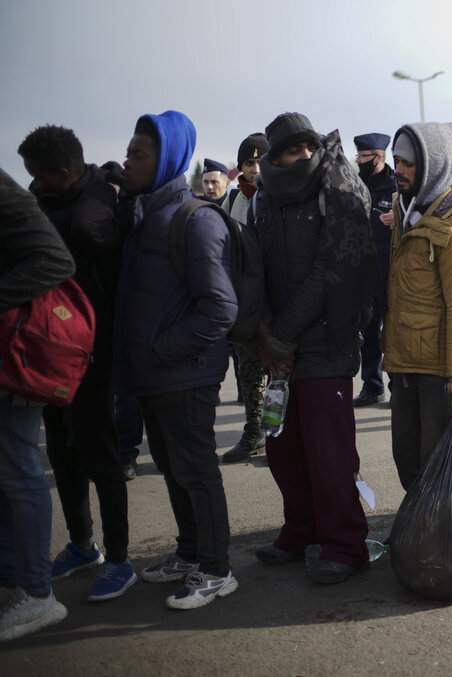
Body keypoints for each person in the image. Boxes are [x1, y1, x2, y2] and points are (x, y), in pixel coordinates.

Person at [250, 113, 382, 584]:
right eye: (291, 150)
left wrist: (281, 331)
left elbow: (337, 267)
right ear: (275, 157)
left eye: (308, 146)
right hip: (280, 348)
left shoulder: (337, 187)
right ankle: (301, 529)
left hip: (326, 339)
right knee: (283, 446)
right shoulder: (264, 196)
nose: (303, 155)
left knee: (330, 454)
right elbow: (254, 266)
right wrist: (263, 332)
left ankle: (345, 545)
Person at [115, 110, 239, 609]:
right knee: (172, 467)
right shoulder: (145, 214)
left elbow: (221, 308)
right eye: (128, 152)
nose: (128, 162)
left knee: (196, 469)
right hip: (155, 377)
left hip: (186, 373)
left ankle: (216, 570)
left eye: (138, 154)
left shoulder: (195, 219)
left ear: (165, 157)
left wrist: (161, 351)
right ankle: (190, 554)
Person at [17, 125, 136, 600]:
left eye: (41, 178)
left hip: (89, 350)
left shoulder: (99, 207)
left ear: (64, 173)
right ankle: (82, 545)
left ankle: (121, 558)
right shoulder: (46, 201)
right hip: (45, 349)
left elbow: (103, 258)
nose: (36, 185)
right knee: (63, 455)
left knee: (100, 455)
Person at [381, 122, 452, 490]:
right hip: (404, 362)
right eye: (396, 160)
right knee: (407, 461)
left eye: (408, 162)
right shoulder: (405, 208)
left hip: (439, 371)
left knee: (437, 468)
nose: (398, 169)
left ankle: (441, 543)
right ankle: (419, 533)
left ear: (433, 162)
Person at [0, 168, 76, 641]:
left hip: (13, 357)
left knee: (20, 470)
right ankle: (13, 580)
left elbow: (55, 260)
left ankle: (36, 594)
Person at [222, 133, 270, 464]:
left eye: (259, 161)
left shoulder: (279, 196)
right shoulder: (232, 201)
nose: (254, 169)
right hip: (243, 303)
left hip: (274, 303)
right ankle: (255, 432)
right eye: (248, 163)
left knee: (280, 377)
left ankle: (278, 433)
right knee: (250, 375)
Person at [352, 132, 397, 408]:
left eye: (363, 157)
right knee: (368, 331)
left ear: (378, 157)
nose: (358, 161)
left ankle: (397, 385)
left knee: (391, 331)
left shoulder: (396, 186)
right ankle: (372, 385)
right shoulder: (355, 185)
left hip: (390, 272)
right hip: (363, 272)